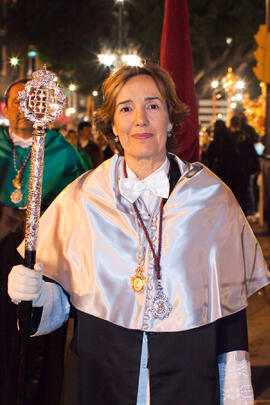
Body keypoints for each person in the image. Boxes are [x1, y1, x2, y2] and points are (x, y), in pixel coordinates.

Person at [8, 64, 270, 405]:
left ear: (171, 119)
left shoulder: (213, 199)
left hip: (189, 377)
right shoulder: (82, 198)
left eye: (153, 105)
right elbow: (61, 308)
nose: (140, 120)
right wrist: (37, 294)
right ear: (113, 125)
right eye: (126, 108)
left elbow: (231, 317)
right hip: (100, 374)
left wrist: (236, 396)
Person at [0, 79, 88, 405]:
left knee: (38, 348)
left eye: (33, 99)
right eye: (18, 100)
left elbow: (80, 209)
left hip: (43, 262)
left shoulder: (65, 154)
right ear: (8, 107)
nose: (25, 106)